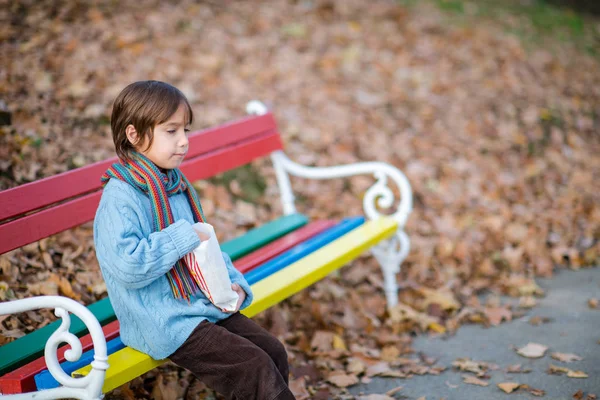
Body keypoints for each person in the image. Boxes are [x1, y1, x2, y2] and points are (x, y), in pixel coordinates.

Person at [94, 80, 294, 399]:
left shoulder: (173, 185)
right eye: (171, 131)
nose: (184, 142)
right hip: (162, 320)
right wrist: (181, 235)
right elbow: (128, 266)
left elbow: (205, 246)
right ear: (134, 135)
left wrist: (235, 283)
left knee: (272, 350)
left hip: (198, 305)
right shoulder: (120, 197)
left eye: (185, 131)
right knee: (253, 366)